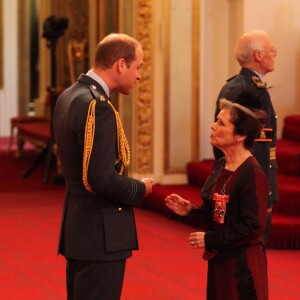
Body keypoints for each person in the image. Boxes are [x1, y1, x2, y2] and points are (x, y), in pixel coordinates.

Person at [53, 33, 154, 300]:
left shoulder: (69, 96)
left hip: (79, 228)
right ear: (121, 64)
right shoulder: (98, 107)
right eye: (138, 67)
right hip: (100, 234)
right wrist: (139, 188)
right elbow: (100, 178)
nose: (139, 75)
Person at [165, 99, 269, 300]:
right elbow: (218, 211)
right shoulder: (221, 164)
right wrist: (190, 211)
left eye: (221, 123)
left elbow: (252, 226)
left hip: (242, 266)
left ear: (239, 135)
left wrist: (209, 239)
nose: (212, 126)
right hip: (221, 259)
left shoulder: (252, 173)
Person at [214, 30, 278, 244]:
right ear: (259, 55)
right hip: (249, 184)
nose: (274, 54)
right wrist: (264, 189)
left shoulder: (235, 85)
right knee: (250, 247)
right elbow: (254, 146)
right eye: (272, 51)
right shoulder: (251, 91)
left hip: (236, 180)